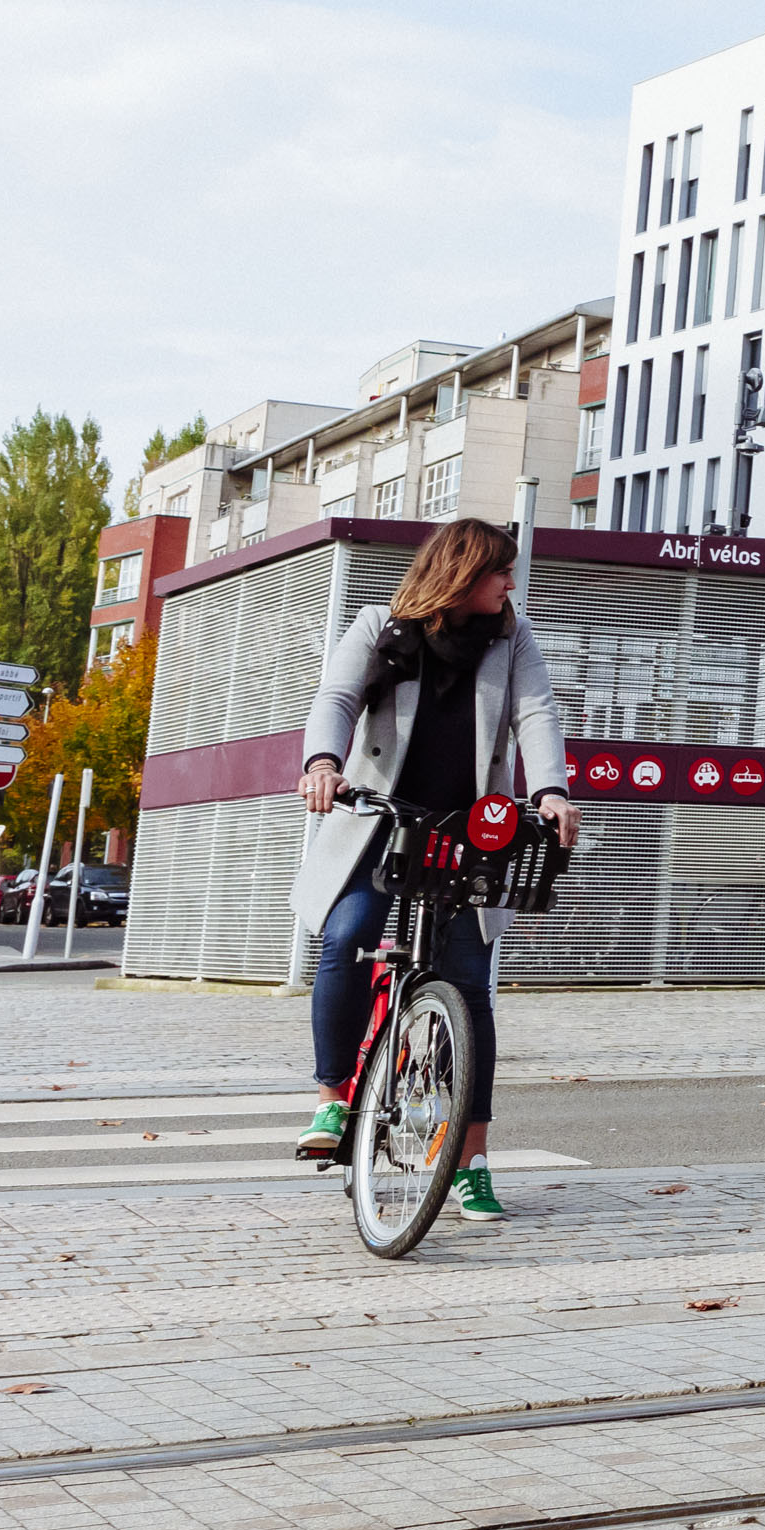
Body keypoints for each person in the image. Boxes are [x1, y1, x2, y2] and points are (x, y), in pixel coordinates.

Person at [290, 520, 576, 1219]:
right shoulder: (380, 627)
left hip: (466, 833)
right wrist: (323, 763)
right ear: (462, 571)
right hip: (380, 823)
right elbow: (335, 699)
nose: (511, 584)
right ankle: (333, 1102)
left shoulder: (513, 639)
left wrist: (551, 790)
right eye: (499, 572)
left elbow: (536, 715)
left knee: (469, 991)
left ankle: (471, 1160)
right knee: (346, 935)